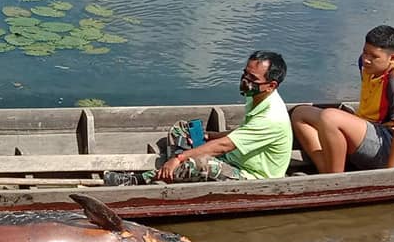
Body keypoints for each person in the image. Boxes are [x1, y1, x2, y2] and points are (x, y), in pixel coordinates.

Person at [105, 51, 292, 185]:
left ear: (271, 85)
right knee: (182, 129)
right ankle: (180, 171)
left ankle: (137, 179)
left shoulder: (271, 117)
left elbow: (226, 145)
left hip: (252, 176)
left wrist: (180, 158)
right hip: (232, 157)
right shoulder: (257, 97)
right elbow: (243, 133)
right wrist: (210, 136)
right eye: (244, 74)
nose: (245, 81)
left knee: (201, 162)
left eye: (252, 79)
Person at [290, 25, 394, 173]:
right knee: (300, 114)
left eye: (374, 56)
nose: (366, 59)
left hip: (387, 145)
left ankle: (336, 180)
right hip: (369, 127)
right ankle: (327, 171)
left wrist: (391, 174)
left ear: (393, 58)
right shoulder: (366, 65)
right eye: (365, 52)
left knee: (330, 117)